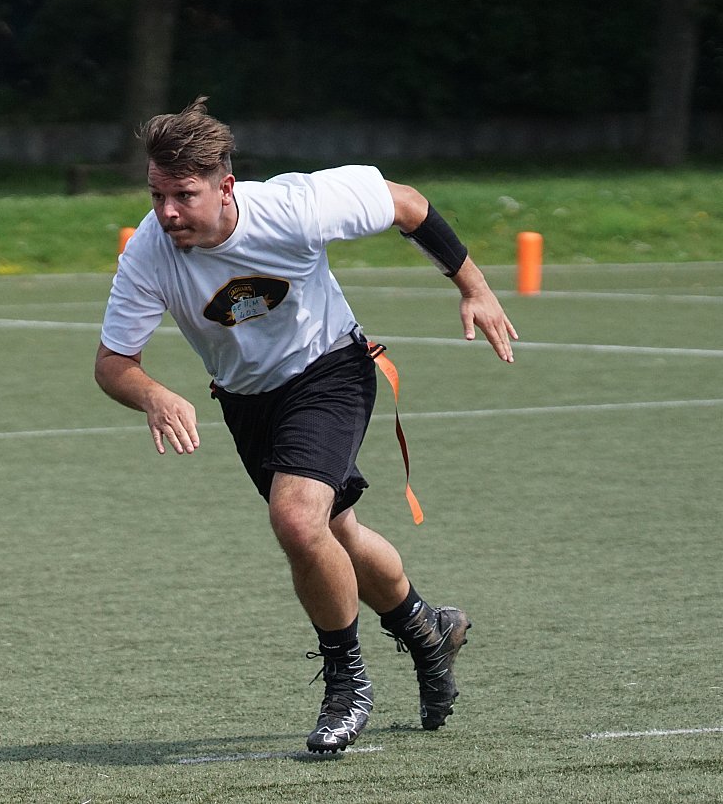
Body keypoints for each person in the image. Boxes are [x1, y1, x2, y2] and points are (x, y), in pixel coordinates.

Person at [94, 98, 518, 753]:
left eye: (183, 195)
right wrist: (151, 394)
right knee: (335, 533)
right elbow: (112, 363)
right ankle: (427, 629)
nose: (167, 212)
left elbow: (407, 204)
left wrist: (474, 286)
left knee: (296, 521)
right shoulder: (149, 251)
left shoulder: (294, 206)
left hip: (330, 371)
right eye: (157, 195)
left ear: (226, 186)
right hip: (246, 401)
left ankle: (347, 686)